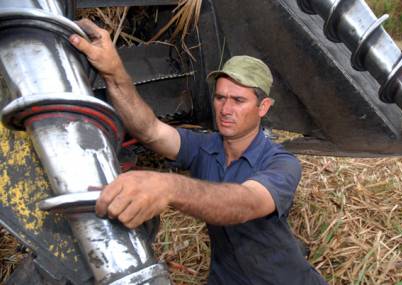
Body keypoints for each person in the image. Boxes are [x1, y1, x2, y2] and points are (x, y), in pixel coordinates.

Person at [69, 19, 328, 285]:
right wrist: (114, 73)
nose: (225, 110)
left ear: (263, 107)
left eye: (238, 100)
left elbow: (245, 203)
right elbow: (149, 130)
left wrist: (169, 187)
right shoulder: (204, 147)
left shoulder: (282, 162)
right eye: (220, 98)